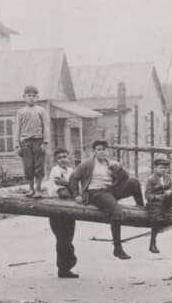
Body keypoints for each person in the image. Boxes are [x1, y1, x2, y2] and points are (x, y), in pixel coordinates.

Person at [68, 139, 144, 260]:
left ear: (107, 151)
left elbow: (125, 179)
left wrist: (119, 169)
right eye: (99, 150)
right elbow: (73, 178)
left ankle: (141, 208)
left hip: (110, 190)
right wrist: (76, 194)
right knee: (117, 212)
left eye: (104, 149)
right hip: (96, 192)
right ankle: (117, 248)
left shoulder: (111, 163)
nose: (102, 152)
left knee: (134, 182)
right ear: (94, 151)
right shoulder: (87, 163)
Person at [43, 149, 79, 278]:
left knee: (68, 239)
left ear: (69, 158)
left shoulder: (70, 171)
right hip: (57, 209)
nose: (63, 159)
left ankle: (66, 267)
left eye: (65, 157)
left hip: (70, 210)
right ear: (56, 160)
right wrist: (71, 188)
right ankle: (64, 269)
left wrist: (69, 186)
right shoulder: (55, 171)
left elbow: (76, 189)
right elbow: (63, 193)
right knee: (63, 239)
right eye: (59, 158)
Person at [144, 157, 172, 254]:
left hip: (166, 201)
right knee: (157, 220)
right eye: (161, 168)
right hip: (155, 203)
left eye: (165, 168)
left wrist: (171, 191)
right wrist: (160, 196)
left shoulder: (167, 177)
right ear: (155, 168)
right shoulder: (151, 179)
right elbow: (147, 195)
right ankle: (152, 244)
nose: (163, 170)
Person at [15, 85, 48, 198]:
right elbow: (17, 129)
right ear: (24, 97)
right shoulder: (21, 112)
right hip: (25, 142)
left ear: (37, 98)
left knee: (39, 166)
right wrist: (17, 145)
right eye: (29, 96)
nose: (31, 98)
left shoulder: (41, 110)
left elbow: (46, 127)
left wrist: (45, 142)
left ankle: (38, 189)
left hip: (38, 141)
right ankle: (31, 189)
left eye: (34, 96)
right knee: (28, 166)